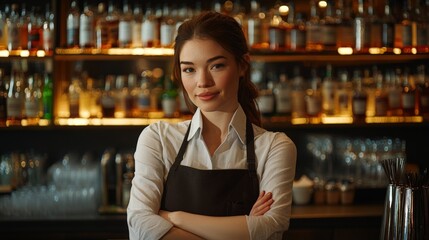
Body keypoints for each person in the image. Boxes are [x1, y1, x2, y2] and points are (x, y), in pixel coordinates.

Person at [127, 11, 297, 240]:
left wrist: (173, 217)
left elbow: (270, 228)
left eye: (216, 66)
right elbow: (140, 227)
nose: (203, 82)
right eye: (189, 69)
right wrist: (242, 228)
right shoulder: (158, 138)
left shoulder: (274, 147)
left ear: (243, 65)